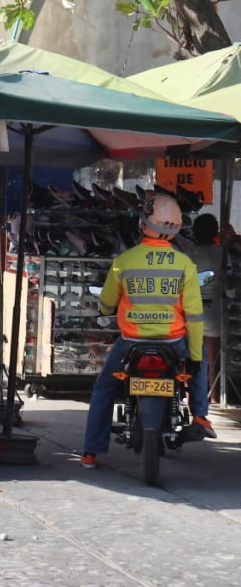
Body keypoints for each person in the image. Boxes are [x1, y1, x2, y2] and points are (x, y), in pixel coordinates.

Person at [81, 194, 214, 469]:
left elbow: (107, 302)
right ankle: (200, 414)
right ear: (176, 228)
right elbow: (195, 317)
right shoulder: (184, 265)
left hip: (131, 343)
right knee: (200, 358)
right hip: (174, 342)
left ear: (144, 224)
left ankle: (90, 452)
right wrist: (194, 358)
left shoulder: (124, 261)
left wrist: (107, 310)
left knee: (104, 388)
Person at [187, 213, 223, 403]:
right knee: (212, 363)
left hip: (192, 311)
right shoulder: (221, 254)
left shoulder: (187, 256)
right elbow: (230, 283)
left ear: (194, 233)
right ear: (215, 233)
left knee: (191, 359)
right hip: (214, 313)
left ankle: (188, 397)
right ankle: (216, 398)